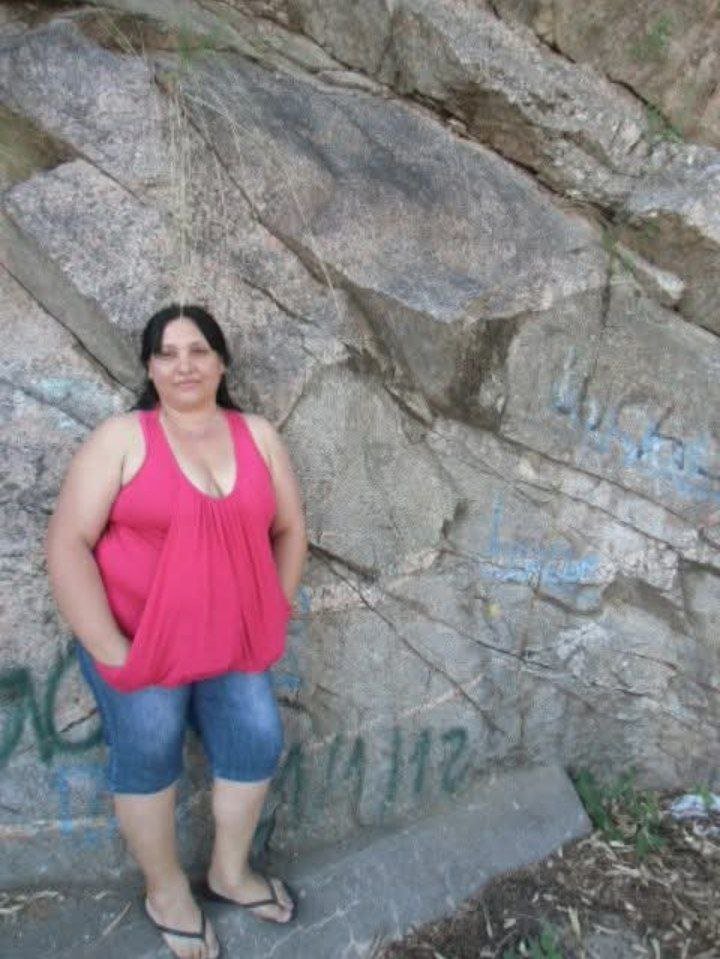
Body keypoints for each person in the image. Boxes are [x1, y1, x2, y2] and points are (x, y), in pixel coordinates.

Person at [45, 304, 308, 959]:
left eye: (198, 350)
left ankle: (229, 871)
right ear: (149, 367)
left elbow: (291, 529)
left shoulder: (258, 435)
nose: (183, 364)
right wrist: (111, 648)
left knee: (256, 738)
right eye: (167, 352)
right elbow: (67, 543)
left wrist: (269, 608)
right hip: (141, 641)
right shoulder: (123, 437)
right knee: (150, 753)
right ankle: (166, 890)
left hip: (234, 639)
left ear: (221, 361)